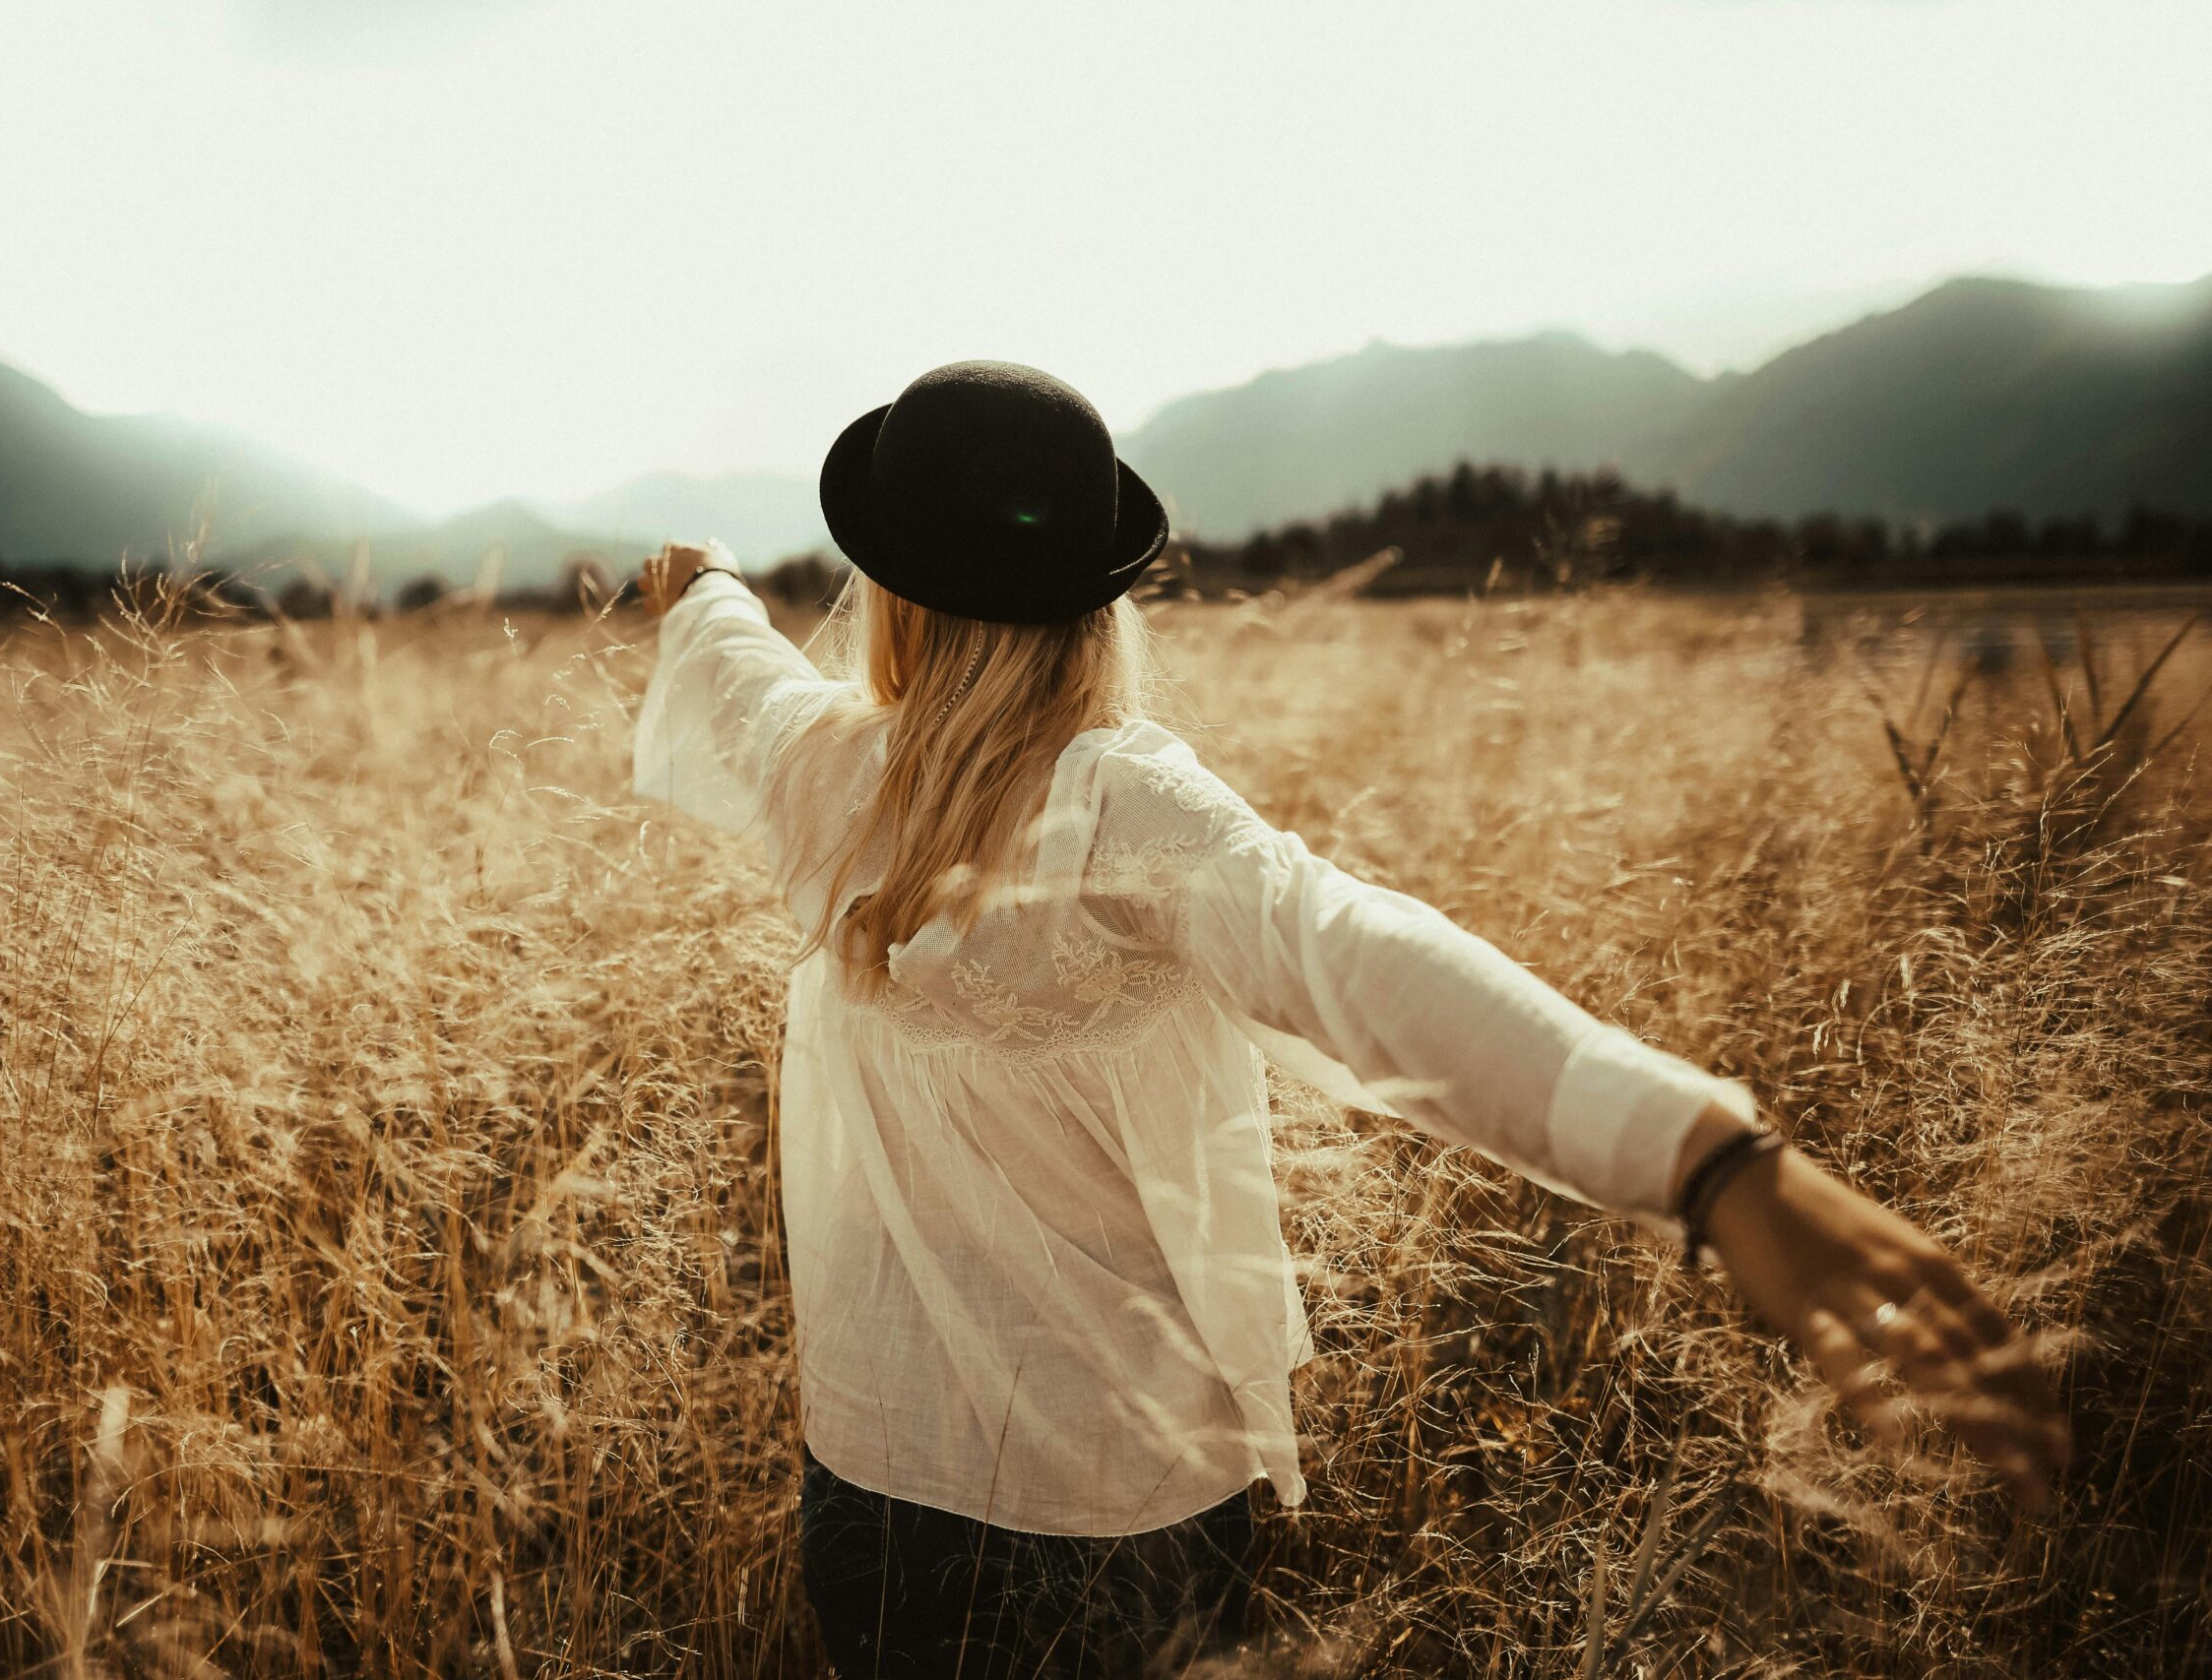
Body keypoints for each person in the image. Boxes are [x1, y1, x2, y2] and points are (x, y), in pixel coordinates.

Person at [629, 361, 2068, 1679]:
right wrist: (1703, 1157)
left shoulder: (821, 773)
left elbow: (733, 664)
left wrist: (698, 582)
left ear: (890, 596)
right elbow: (1357, 958)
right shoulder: (1120, 803)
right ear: (1095, 604)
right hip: (1121, 1511)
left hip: (874, 1493)